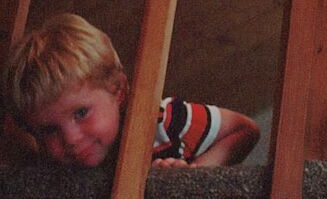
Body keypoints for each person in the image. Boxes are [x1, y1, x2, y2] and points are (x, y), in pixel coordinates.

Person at [2, 13, 259, 167]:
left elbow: (245, 129)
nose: (70, 139)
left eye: (81, 113)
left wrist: (195, 174)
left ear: (118, 91)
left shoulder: (163, 120)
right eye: (48, 129)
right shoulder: (52, 164)